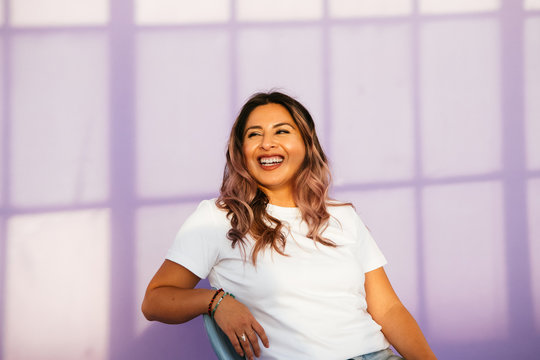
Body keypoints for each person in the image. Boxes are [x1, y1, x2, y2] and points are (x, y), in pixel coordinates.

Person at [141, 91, 436, 360]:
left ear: (306, 145)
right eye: (254, 134)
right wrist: (215, 301)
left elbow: (388, 309)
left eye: (282, 131)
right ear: (240, 150)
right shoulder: (217, 218)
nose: (267, 143)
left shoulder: (342, 217)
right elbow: (155, 300)